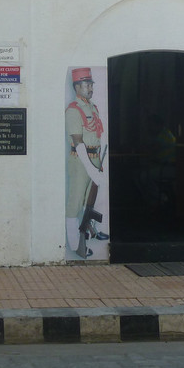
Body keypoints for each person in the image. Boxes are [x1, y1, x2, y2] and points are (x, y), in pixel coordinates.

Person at [66, 67, 109, 258]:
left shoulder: (92, 107)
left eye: (91, 84)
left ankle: (90, 230)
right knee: (75, 201)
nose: (90, 87)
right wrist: (91, 170)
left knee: (89, 200)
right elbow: (78, 141)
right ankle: (75, 244)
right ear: (77, 86)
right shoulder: (73, 110)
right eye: (86, 84)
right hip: (80, 159)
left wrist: (96, 165)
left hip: (95, 157)